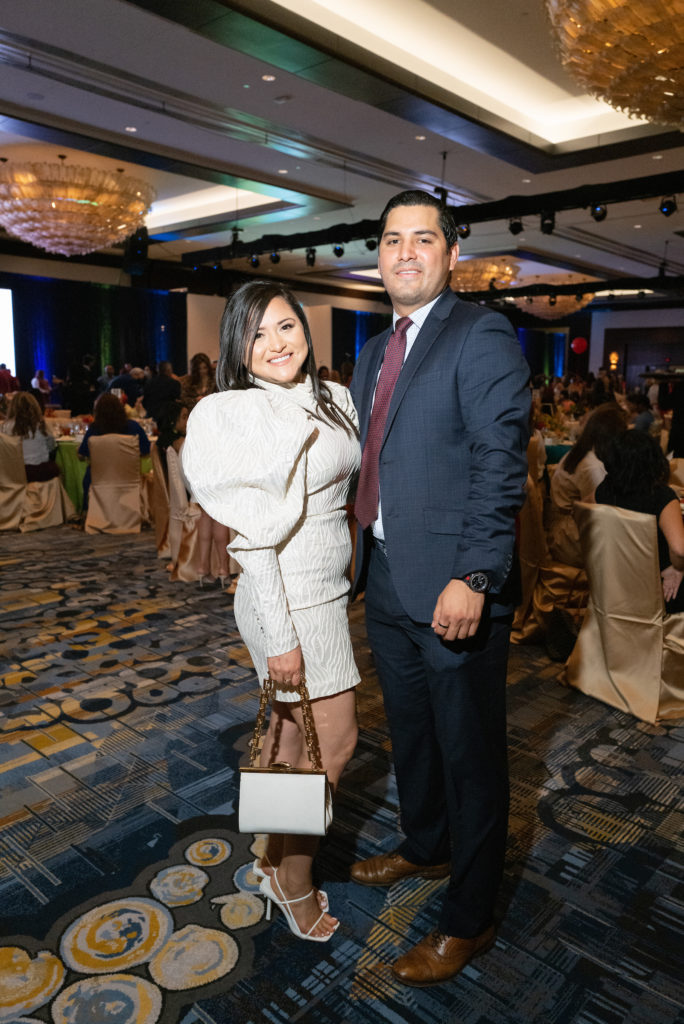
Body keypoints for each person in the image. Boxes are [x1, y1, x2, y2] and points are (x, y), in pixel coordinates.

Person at [348, 190, 530, 986]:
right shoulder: (372, 350)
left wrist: (475, 576)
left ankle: (470, 918)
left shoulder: (480, 332)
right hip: (385, 577)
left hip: (454, 586)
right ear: (377, 257)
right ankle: (425, 846)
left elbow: (500, 465)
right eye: (392, 240)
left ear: (451, 254)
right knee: (412, 732)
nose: (406, 253)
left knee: (471, 753)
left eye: (424, 239)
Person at [183, 281, 360, 942]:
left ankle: (267, 854)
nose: (276, 344)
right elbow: (254, 539)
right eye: (257, 334)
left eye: (286, 326)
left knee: (288, 737)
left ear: (306, 329)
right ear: (238, 347)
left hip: (327, 587)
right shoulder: (235, 413)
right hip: (284, 595)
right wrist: (284, 636)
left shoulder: (334, 396)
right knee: (336, 741)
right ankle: (294, 878)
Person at [596, 430, 684, 613]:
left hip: (613, 580)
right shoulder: (661, 497)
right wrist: (677, 568)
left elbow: (582, 509)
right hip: (659, 586)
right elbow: (679, 550)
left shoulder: (603, 490)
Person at [547, 403, 628, 567]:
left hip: (563, 530)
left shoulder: (582, 453)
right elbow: (602, 510)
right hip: (572, 539)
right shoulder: (593, 466)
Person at [78, 392, 150, 507]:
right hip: (128, 478)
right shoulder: (134, 427)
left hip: (99, 480)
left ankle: (92, 512)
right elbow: (146, 451)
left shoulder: (94, 430)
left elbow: (82, 455)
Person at [1, 391, 59, 480]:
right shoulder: (42, 425)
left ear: (12, 407)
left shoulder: (5, 427)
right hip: (40, 471)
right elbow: (51, 447)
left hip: (14, 472)